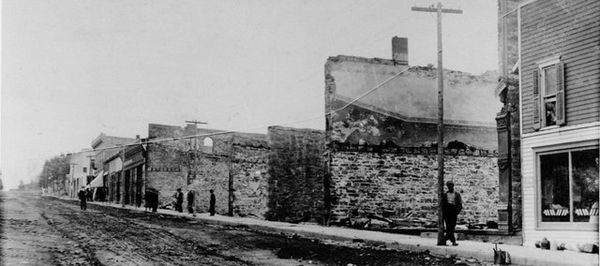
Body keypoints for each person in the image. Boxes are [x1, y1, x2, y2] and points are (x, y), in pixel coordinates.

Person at [442, 181, 462, 246]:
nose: (450, 187)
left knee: (452, 226)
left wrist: (457, 211)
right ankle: (453, 241)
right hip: (447, 212)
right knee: (448, 226)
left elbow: (460, 204)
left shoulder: (457, 194)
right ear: (447, 187)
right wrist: (444, 212)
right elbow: (443, 204)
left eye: (451, 185)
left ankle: (445, 239)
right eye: (449, 186)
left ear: (453, 186)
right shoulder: (445, 195)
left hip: (453, 211)